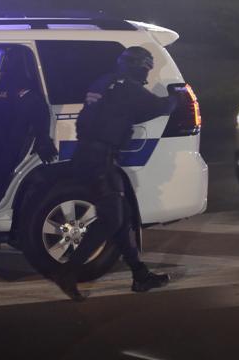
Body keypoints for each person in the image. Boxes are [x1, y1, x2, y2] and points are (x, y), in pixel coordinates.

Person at [54, 46, 178, 301]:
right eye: (146, 69)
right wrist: (178, 97)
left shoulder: (104, 82)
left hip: (87, 156)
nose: (146, 74)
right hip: (100, 161)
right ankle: (69, 271)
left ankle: (140, 275)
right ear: (139, 67)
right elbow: (162, 107)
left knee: (121, 218)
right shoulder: (129, 89)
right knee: (112, 219)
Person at [0, 50, 57, 216]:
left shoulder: (22, 86)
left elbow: (38, 110)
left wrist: (43, 138)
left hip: (12, 137)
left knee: (1, 166)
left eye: (4, 62)